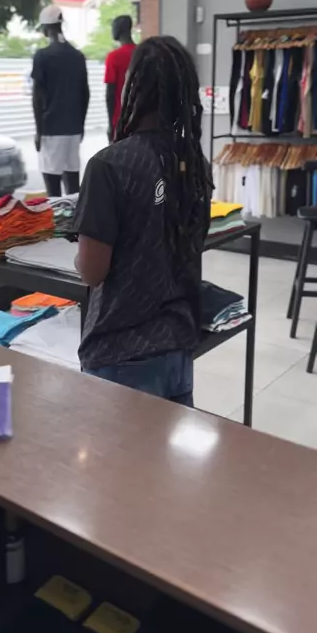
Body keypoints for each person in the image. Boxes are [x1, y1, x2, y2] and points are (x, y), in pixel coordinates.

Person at [73, 36, 211, 407]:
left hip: (121, 353)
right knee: (168, 447)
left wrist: (80, 253)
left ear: (132, 88)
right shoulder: (193, 165)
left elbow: (92, 272)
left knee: (118, 449)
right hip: (177, 345)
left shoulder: (108, 165)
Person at [32, 5, 89, 197]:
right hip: (74, 129)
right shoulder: (77, 56)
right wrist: (81, 126)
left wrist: (39, 131)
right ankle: (75, 216)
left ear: (46, 28)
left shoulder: (42, 56)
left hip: (51, 128)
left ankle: (57, 218)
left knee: (53, 187)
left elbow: (37, 96)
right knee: (73, 185)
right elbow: (85, 94)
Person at [104, 15, 136, 141]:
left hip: (120, 119)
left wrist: (110, 124)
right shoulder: (143, 52)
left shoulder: (114, 57)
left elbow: (110, 93)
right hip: (141, 119)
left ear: (119, 29)